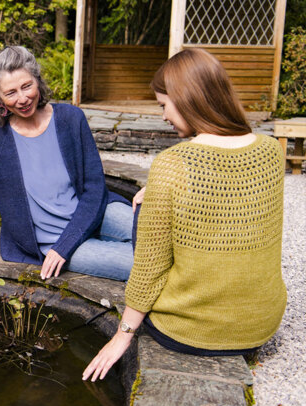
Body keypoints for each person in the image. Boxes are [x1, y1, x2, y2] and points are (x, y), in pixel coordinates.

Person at [83, 48, 287, 382]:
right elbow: (232, 207)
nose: (163, 116)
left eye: (164, 105)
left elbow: (150, 269)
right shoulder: (268, 151)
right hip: (262, 323)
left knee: (138, 215)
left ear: (188, 98)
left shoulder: (173, 164)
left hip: (192, 332)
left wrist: (123, 334)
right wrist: (162, 193)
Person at [0, 46, 134, 289]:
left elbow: (94, 188)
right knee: (141, 263)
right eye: (11, 92)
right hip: (52, 242)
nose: (22, 98)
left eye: (27, 86)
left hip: (95, 215)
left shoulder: (71, 119)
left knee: (159, 236)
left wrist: (67, 243)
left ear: (38, 82)